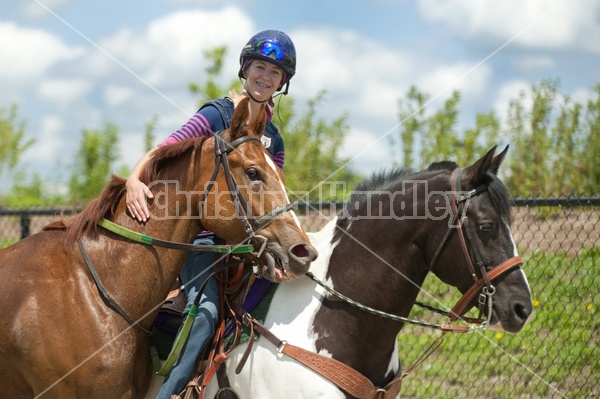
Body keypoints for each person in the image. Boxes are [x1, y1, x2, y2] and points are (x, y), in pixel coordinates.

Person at [125, 30, 297, 398]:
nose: (266, 77)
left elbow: (270, 195)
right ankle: (168, 393)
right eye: (260, 67)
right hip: (202, 242)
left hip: (248, 245)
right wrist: (134, 180)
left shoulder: (274, 140)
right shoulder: (217, 113)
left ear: (282, 83)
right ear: (245, 69)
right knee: (204, 316)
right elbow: (166, 149)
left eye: (276, 72)